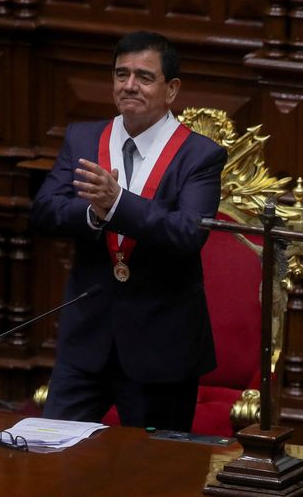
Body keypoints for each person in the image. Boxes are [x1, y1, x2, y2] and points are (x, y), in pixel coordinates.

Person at [31, 31, 227, 431]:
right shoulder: (82, 138)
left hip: (161, 346)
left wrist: (117, 203)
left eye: (144, 76)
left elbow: (188, 234)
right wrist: (95, 214)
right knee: (49, 458)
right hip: (86, 341)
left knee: (156, 478)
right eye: (121, 74)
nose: (130, 85)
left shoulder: (200, 155)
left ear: (171, 89)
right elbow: (45, 213)